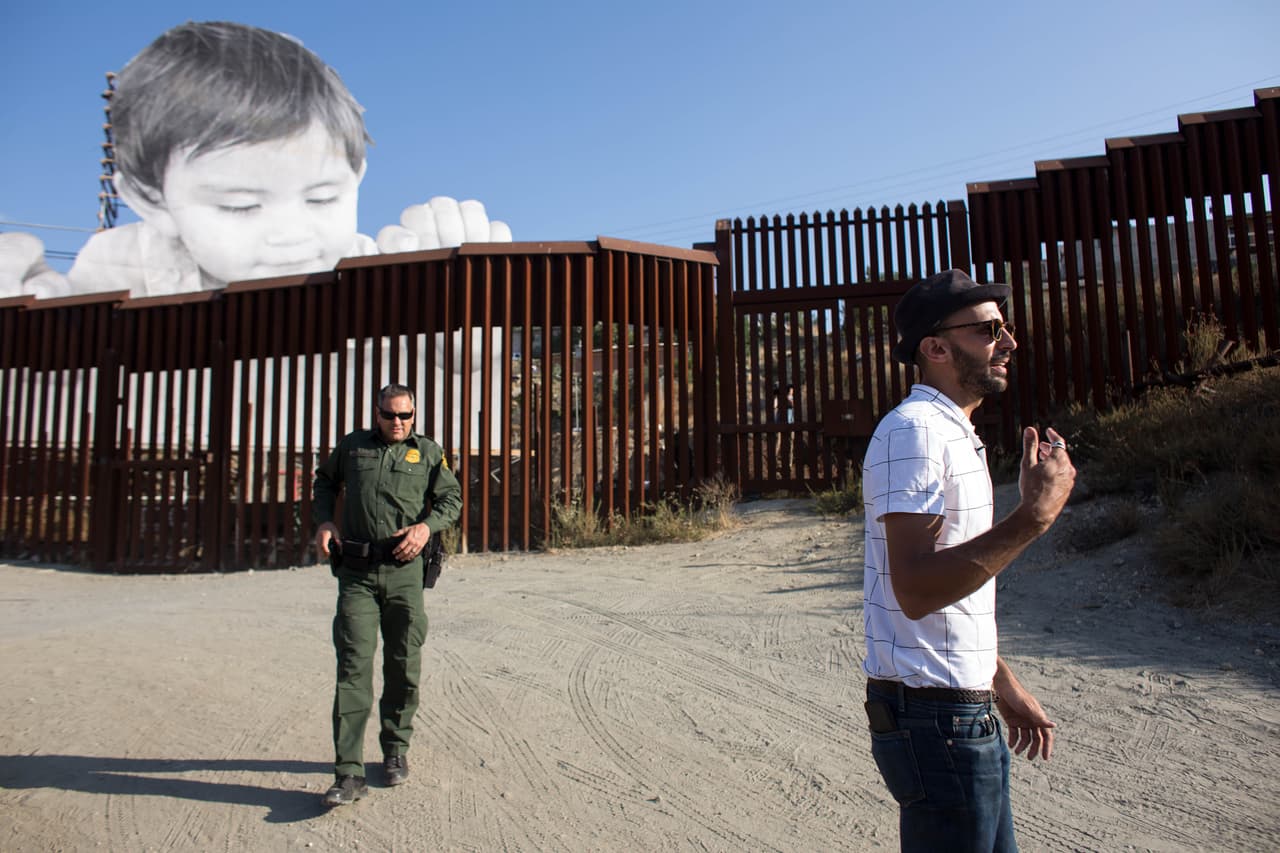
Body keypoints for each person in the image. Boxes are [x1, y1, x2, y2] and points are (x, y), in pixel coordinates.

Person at [860, 268, 1076, 851]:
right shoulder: (917, 432)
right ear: (935, 348)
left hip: (957, 711)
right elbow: (917, 589)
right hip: (937, 722)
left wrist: (999, 682)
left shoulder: (949, 432)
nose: (1008, 341)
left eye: (1004, 328)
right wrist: (1033, 517)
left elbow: (952, 596)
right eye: (989, 330)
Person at [65, 21, 509, 297]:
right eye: (241, 205)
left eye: (320, 199)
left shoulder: (368, 267)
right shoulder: (118, 264)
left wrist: (458, 314)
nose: (290, 234)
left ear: (357, 177)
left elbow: (441, 362)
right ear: (150, 200)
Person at [312, 383, 462, 807]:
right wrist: (325, 522)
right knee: (353, 667)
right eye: (390, 415)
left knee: (403, 663)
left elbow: (451, 500)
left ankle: (395, 749)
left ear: (414, 414)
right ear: (376, 413)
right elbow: (324, 483)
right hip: (357, 574)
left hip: (404, 574)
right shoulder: (353, 447)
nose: (398, 423)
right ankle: (348, 773)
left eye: (406, 416)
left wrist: (425, 527)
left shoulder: (429, 453)